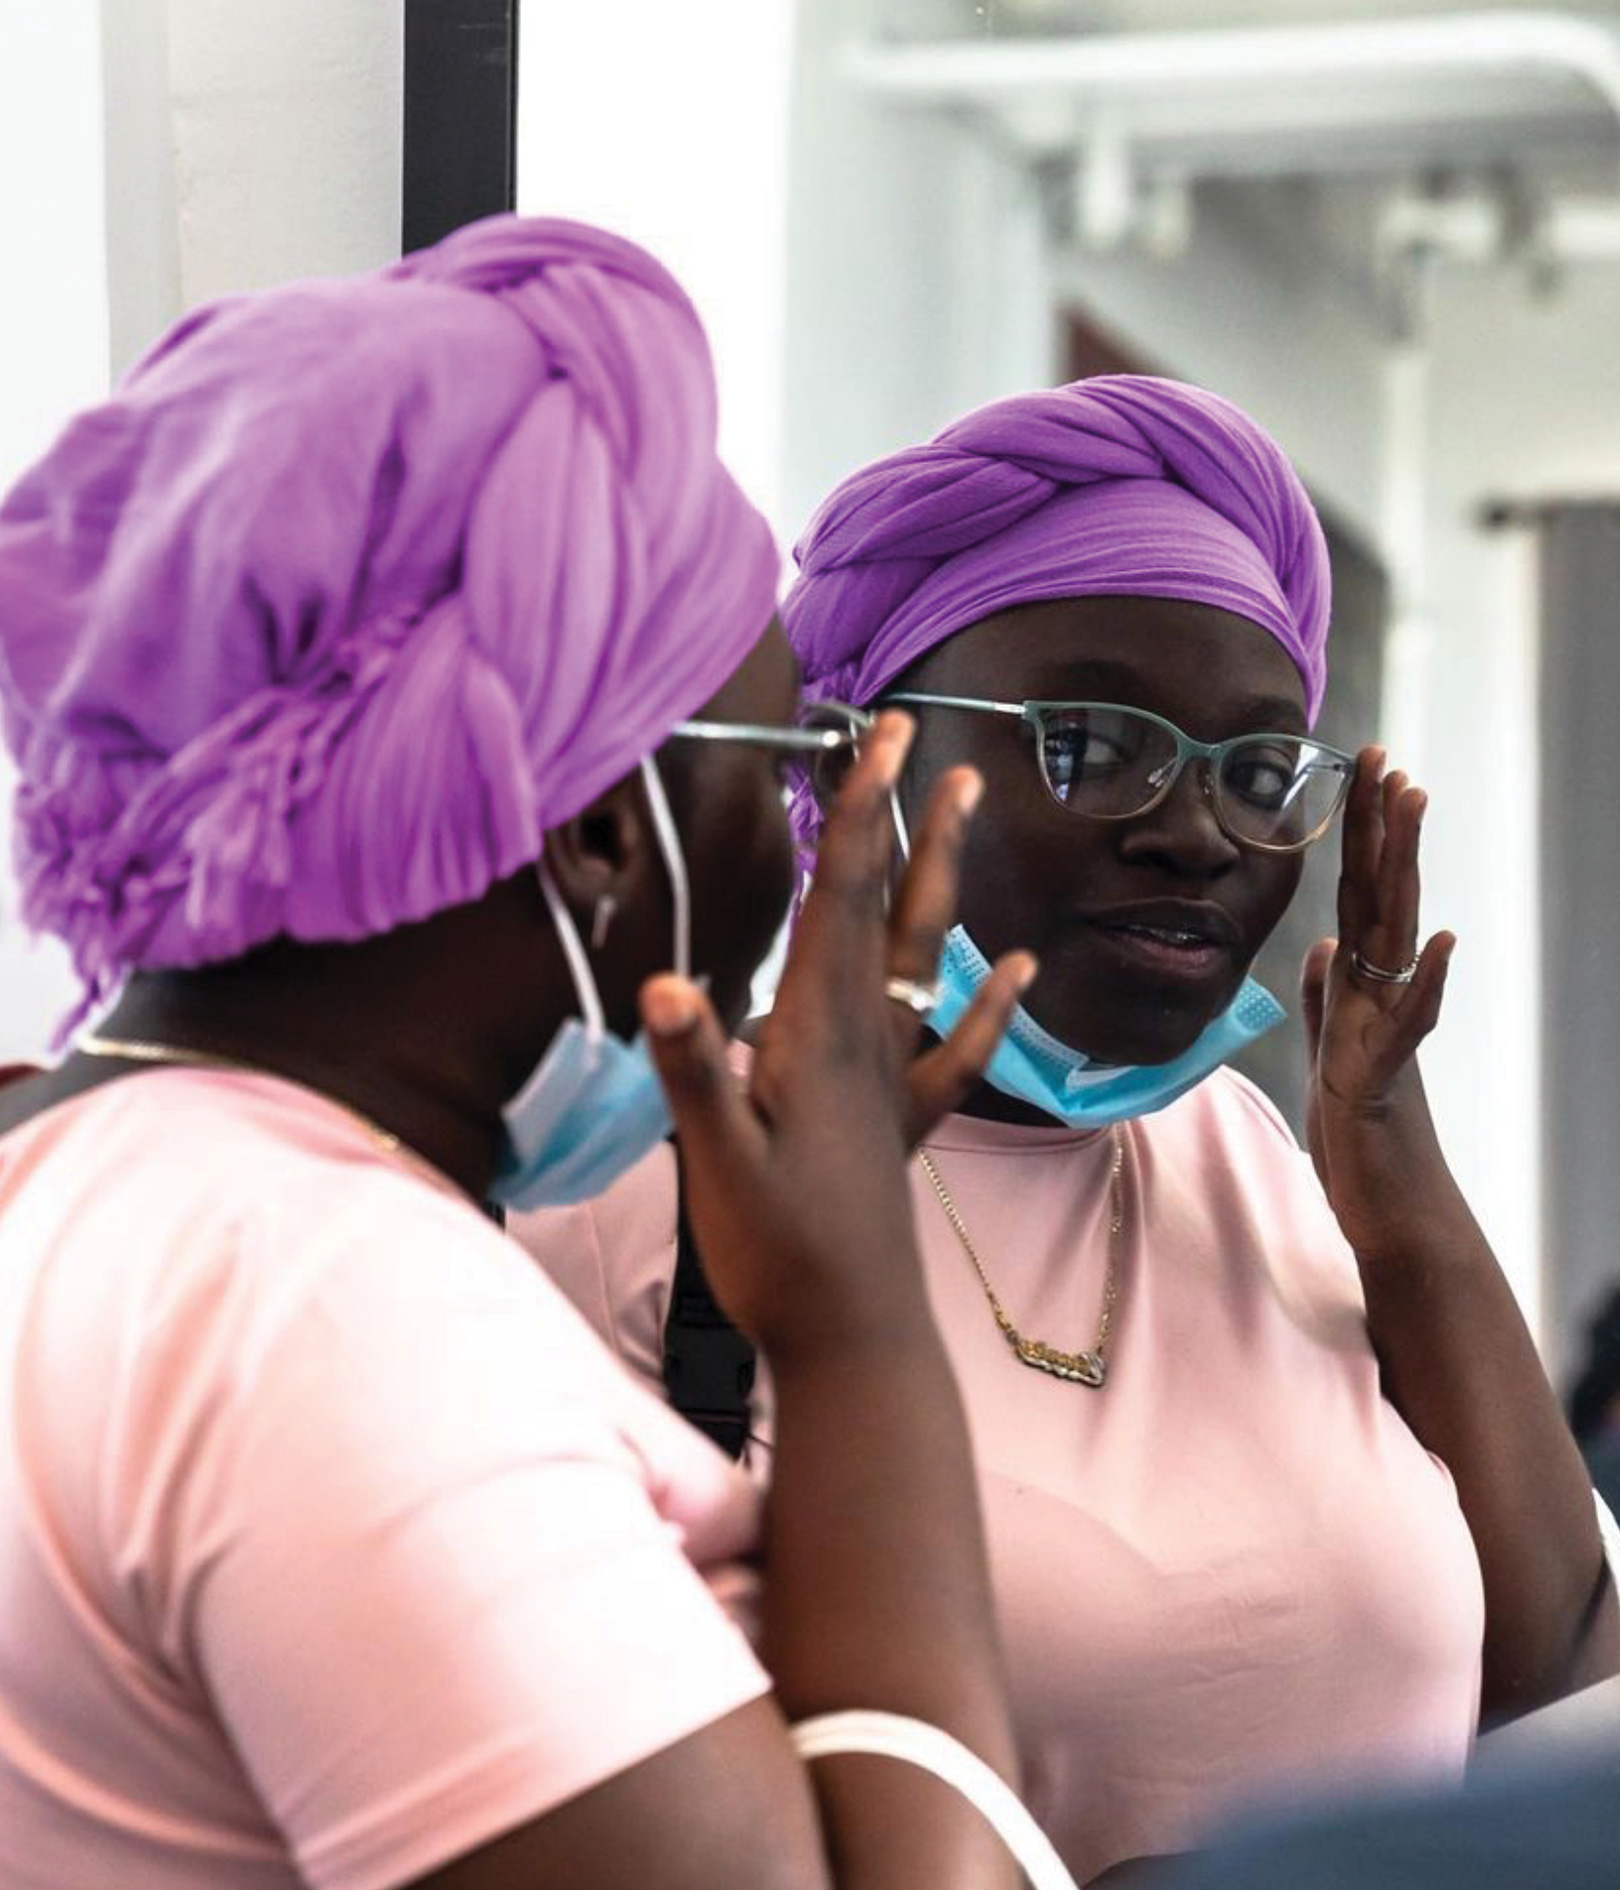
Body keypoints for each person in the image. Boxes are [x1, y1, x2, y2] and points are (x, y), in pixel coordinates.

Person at [0, 215, 1044, 1890]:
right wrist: (856, 1330)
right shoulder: (332, 1307)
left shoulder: (76, 1174)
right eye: (794, 756)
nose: (808, 836)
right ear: (603, 831)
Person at [515, 374, 1620, 1884]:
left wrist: (1389, 1164)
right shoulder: (636, 1187)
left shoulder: (1253, 1168)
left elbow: (1558, 1663)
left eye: (1254, 772)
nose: (1196, 832)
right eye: (1089, 744)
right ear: (856, 761)